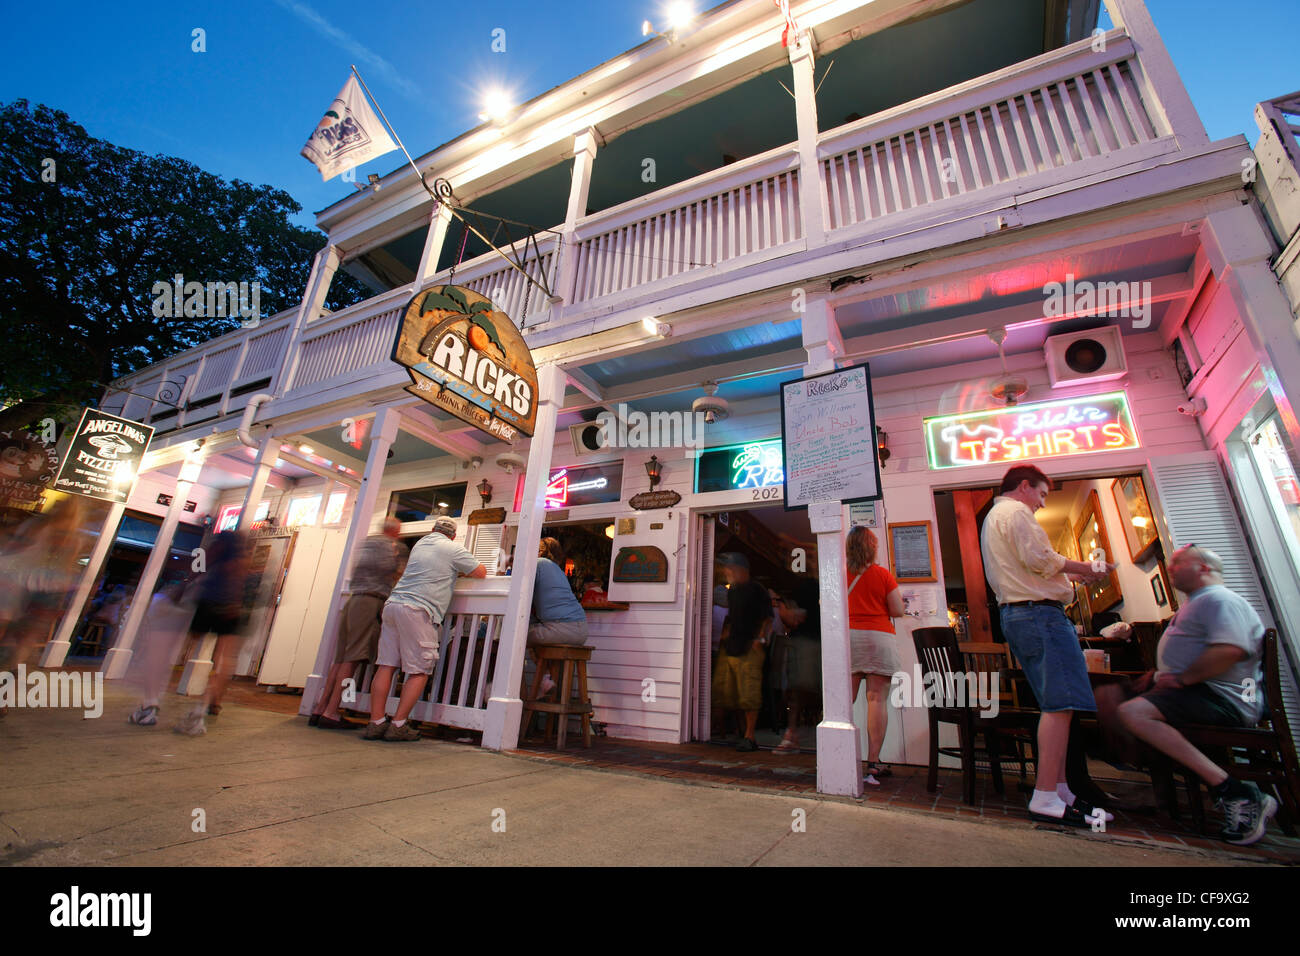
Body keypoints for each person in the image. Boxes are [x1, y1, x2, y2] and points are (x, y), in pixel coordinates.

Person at [980, 464, 1116, 826]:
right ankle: (1044, 796)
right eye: (1041, 493)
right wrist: (1087, 568)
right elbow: (1040, 560)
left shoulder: (996, 516)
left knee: (1057, 704)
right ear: (1024, 486)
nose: (1041, 503)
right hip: (1039, 616)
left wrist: (1068, 574)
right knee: (1061, 703)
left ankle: (1060, 790)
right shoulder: (1016, 512)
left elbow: (1031, 567)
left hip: (1023, 614)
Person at [1114, 545, 1275, 845]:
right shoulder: (1200, 602)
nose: (1171, 568)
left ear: (1202, 568)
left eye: (1178, 563)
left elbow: (1231, 649)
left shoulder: (1219, 599)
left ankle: (1234, 791)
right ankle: (1160, 791)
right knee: (1113, 700)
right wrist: (1161, 677)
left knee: (1132, 712)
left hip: (1222, 698)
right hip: (1203, 693)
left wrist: (1183, 678)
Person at [363, 517, 486, 742]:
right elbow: (481, 571)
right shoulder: (452, 548)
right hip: (418, 609)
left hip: (393, 605)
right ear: (453, 535)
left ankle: (376, 721)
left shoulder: (420, 544)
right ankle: (399, 724)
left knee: (386, 665)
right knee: (420, 669)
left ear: (432, 530)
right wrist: (459, 571)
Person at [309, 517, 406, 729]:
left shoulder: (367, 542)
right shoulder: (390, 546)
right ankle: (332, 711)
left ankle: (320, 708)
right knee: (353, 658)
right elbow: (393, 569)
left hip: (354, 598)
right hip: (370, 600)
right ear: (395, 531)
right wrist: (397, 559)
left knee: (341, 657)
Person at [173, 530, 253, 736]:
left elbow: (199, 568)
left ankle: (196, 695)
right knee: (225, 660)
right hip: (231, 610)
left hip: (208, 604)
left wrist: (184, 586)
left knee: (190, 645)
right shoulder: (243, 559)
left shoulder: (216, 550)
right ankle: (212, 701)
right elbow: (240, 586)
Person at [846, 527, 905, 783]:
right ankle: (873, 762)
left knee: (843, 700)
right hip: (879, 637)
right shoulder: (883, 575)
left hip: (849, 638)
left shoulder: (839, 574)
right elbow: (897, 610)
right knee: (876, 700)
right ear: (872, 546)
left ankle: (839, 755)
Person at [711, 552, 771, 752]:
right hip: (731, 646)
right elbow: (732, 616)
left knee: (749, 693)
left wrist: (761, 639)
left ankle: (750, 736)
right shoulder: (733, 591)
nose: (726, 571)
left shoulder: (757, 589)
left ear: (740, 570)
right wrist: (725, 635)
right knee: (728, 692)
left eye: (729, 568)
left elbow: (767, 618)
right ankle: (738, 732)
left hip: (749, 647)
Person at [127, 576, 195, 726]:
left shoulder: (162, 600)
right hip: (184, 603)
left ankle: (150, 703)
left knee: (155, 655)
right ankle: (150, 703)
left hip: (177, 603)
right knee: (160, 656)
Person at [526, 537, 589, 698]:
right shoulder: (557, 570)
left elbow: (523, 593)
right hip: (581, 630)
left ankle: (494, 686)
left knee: (514, 637)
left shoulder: (538, 564)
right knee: (532, 632)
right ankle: (548, 679)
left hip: (560, 629)